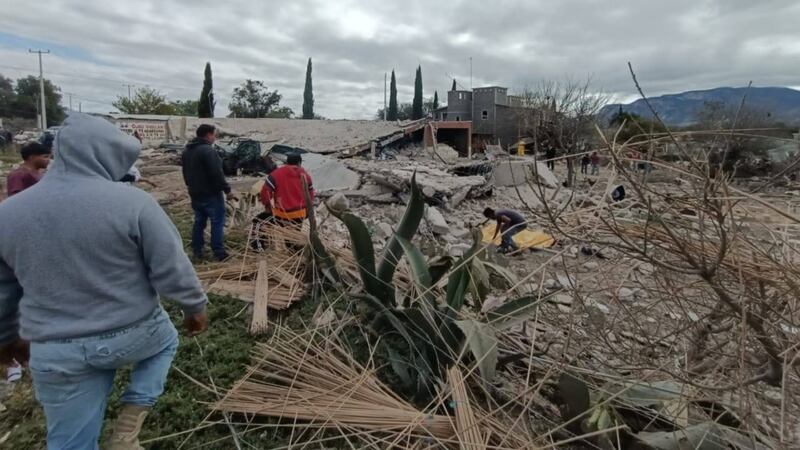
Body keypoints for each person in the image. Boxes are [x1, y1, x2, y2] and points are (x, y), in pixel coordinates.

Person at [0, 113, 208, 449]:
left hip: (53, 347)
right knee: (167, 340)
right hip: (131, 332)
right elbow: (170, 265)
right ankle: (128, 428)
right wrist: (194, 307)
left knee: (70, 442)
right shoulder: (133, 203)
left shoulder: (8, 213)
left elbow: (4, 288)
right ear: (105, 154)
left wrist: (7, 337)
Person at [182, 124, 233, 261]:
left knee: (199, 222)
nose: (215, 137)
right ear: (208, 135)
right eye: (214, 134)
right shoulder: (208, 151)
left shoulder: (187, 150)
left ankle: (197, 250)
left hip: (195, 193)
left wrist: (190, 186)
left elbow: (185, 172)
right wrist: (227, 190)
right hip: (211, 194)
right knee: (217, 222)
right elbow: (217, 173)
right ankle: (219, 252)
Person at [259, 153, 315, 227]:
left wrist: (267, 205)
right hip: (299, 214)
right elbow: (310, 195)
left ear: (287, 162)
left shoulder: (276, 174)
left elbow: (265, 192)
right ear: (299, 163)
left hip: (281, 214)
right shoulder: (305, 175)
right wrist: (308, 211)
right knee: (295, 234)